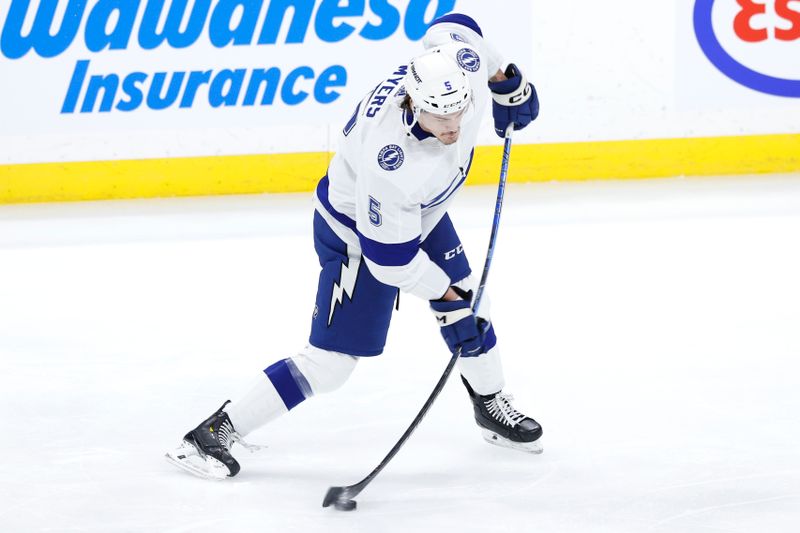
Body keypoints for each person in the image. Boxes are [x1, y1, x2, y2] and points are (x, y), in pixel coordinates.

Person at [166, 13, 542, 480]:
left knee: (472, 301)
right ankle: (211, 434)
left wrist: (507, 80)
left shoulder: (454, 68)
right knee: (331, 365)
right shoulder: (391, 164)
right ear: (413, 101)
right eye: (440, 116)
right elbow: (392, 260)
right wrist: (446, 298)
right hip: (358, 237)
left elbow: (457, 26)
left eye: (460, 111)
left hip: (417, 217)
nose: (453, 126)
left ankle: (490, 405)